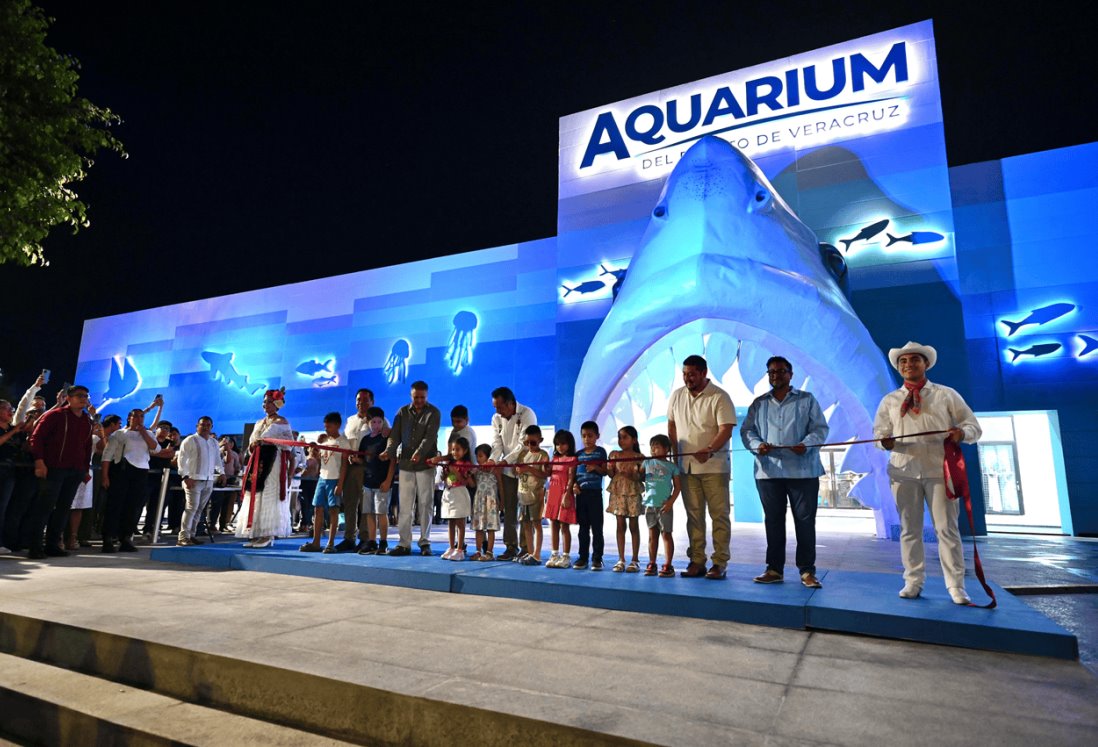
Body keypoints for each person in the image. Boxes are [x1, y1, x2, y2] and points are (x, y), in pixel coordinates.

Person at [874, 341, 982, 605]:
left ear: (925, 364)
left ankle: (956, 586)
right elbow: (879, 433)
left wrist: (961, 433)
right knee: (909, 530)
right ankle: (913, 581)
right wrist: (884, 442)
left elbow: (973, 426)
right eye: (903, 361)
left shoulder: (946, 394)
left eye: (914, 360)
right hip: (903, 471)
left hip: (939, 471)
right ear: (899, 367)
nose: (908, 365)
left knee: (947, 529)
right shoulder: (890, 400)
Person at [741, 356, 829, 588]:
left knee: (805, 522)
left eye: (780, 371)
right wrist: (757, 446)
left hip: (803, 472)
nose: (775, 376)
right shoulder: (759, 403)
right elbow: (747, 431)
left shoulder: (807, 400)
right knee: (773, 522)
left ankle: (807, 572)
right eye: (771, 372)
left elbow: (820, 429)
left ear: (790, 374)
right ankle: (773, 569)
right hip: (768, 472)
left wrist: (806, 444)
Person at [667, 354, 736, 580]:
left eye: (692, 374)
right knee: (693, 516)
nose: (688, 379)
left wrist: (710, 448)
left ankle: (719, 562)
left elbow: (726, 428)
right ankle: (697, 560)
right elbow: (672, 424)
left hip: (714, 468)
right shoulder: (677, 396)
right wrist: (675, 454)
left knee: (719, 515)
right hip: (686, 468)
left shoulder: (719, 396)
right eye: (685, 374)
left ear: (704, 373)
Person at [27, 385, 97, 559]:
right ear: (69, 398)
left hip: (75, 471)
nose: (84, 398)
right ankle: (35, 546)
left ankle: (52, 545)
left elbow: (87, 447)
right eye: (79, 395)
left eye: (86, 396)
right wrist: (39, 462)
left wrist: (84, 469)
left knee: (63, 509)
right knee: (44, 507)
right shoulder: (55, 415)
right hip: (53, 469)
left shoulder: (87, 421)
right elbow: (36, 438)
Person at [381, 381, 440, 556]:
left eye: (422, 397)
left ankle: (425, 542)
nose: (419, 400)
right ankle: (404, 543)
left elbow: (430, 437)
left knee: (426, 504)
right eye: (416, 397)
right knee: (405, 506)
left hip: (425, 465)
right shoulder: (402, 412)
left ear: (427, 396)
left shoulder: (434, 412)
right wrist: (388, 451)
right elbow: (395, 437)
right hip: (406, 465)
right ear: (411, 396)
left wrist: (420, 453)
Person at [237, 388, 296, 549]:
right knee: (256, 494)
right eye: (264, 402)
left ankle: (268, 533)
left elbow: (289, 445)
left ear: (277, 404)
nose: (265, 405)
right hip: (258, 461)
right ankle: (255, 532)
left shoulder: (282, 422)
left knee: (269, 493)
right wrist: (254, 444)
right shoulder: (258, 423)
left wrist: (268, 442)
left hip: (274, 461)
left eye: (269, 402)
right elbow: (251, 443)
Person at [101, 407, 163, 552]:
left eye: (141, 416)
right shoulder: (120, 434)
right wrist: (105, 476)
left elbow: (156, 448)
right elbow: (107, 455)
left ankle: (126, 538)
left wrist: (143, 432)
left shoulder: (147, 433)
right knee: (115, 506)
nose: (139, 419)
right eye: (135, 416)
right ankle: (108, 538)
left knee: (133, 507)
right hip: (122, 470)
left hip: (141, 471)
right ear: (129, 418)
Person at [489, 387, 537, 561]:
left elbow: (524, 444)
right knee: (509, 509)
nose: (497, 411)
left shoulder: (526, 414)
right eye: (495, 407)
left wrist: (505, 461)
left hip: (526, 469)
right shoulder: (496, 418)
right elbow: (496, 444)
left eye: (500, 407)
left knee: (525, 510)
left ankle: (527, 547)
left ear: (510, 403)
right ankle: (510, 546)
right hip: (507, 470)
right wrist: (493, 460)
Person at [339, 388, 390, 551]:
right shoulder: (350, 420)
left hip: (369, 468)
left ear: (372, 402)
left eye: (366, 400)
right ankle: (349, 537)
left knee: (366, 506)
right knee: (350, 502)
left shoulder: (380, 421)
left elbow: (388, 443)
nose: (361, 403)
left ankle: (365, 538)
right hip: (351, 466)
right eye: (359, 400)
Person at [300, 413, 350, 554]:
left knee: (333, 510)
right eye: (325, 426)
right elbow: (322, 461)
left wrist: (340, 484)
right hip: (322, 478)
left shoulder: (343, 442)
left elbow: (344, 464)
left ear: (337, 425)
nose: (326, 429)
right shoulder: (324, 442)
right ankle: (316, 542)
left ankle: (330, 543)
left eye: (329, 426)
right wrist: (315, 450)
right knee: (318, 509)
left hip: (334, 479)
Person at [177, 416, 224, 546]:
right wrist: (185, 477)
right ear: (197, 426)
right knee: (191, 508)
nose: (205, 427)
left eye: (208, 425)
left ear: (211, 427)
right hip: (194, 479)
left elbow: (217, 460)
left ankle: (191, 535)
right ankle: (183, 537)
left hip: (208, 480)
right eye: (202, 425)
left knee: (199, 510)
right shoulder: (190, 440)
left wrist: (221, 472)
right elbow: (182, 459)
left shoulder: (214, 442)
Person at [641, 434, 682, 577]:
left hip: (665, 506)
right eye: (652, 447)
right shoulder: (646, 463)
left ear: (666, 449)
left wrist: (670, 502)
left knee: (666, 534)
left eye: (657, 447)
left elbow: (677, 487)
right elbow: (638, 475)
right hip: (649, 505)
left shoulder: (672, 467)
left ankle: (668, 564)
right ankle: (652, 563)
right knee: (652, 535)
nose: (653, 450)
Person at [356, 406, 395, 555]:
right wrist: (354, 459)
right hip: (367, 482)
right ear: (368, 422)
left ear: (383, 422)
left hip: (382, 482)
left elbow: (392, 460)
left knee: (381, 513)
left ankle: (383, 542)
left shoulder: (386, 438)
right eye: (373, 422)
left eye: (379, 422)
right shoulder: (365, 440)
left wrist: (388, 480)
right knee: (369, 513)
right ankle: (371, 541)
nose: (376, 425)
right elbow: (362, 459)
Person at [608, 425, 643, 573]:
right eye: (619, 437)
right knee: (620, 525)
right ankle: (621, 558)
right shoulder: (614, 455)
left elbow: (642, 477)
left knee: (633, 525)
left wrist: (633, 475)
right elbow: (610, 473)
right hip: (618, 493)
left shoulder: (639, 458)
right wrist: (609, 469)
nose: (621, 440)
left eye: (625, 437)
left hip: (633, 493)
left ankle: (635, 559)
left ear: (634, 440)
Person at [573, 421, 608, 571]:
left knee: (597, 527)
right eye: (584, 436)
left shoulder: (601, 452)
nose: (587, 439)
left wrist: (596, 468)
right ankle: (583, 557)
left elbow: (605, 471)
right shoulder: (578, 454)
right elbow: (573, 474)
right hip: (581, 495)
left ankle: (597, 558)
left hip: (595, 494)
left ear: (597, 436)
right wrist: (574, 485)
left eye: (590, 436)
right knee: (583, 527)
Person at [434, 437, 473, 561]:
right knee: (450, 522)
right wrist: (445, 473)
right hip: (449, 493)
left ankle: (460, 549)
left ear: (465, 451)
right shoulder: (450, 464)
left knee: (460, 523)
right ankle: (451, 547)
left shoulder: (466, 465)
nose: (454, 452)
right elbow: (445, 480)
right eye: (452, 450)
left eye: (457, 450)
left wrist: (454, 471)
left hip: (460, 493)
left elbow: (464, 481)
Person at [514, 425, 549, 566]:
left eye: (533, 443)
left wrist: (529, 469)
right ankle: (530, 551)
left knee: (537, 523)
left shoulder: (543, 455)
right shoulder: (523, 455)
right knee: (526, 524)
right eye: (526, 442)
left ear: (540, 440)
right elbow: (518, 470)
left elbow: (546, 475)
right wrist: (519, 471)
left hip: (536, 494)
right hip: (522, 494)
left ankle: (537, 554)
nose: (529, 446)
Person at [545, 430, 578, 569]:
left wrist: (567, 494)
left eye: (563, 444)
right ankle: (554, 554)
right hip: (553, 492)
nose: (560, 447)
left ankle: (566, 556)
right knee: (553, 524)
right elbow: (548, 473)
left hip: (565, 493)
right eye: (557, 444)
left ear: (569, 444)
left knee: (564, 525)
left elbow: (571, 479)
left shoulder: (572, 460)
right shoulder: (555, 459)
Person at [470, 444, 500, 560]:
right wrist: (469, 475)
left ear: (488, 457)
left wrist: (501, 500)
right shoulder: (477, 471)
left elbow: (500, 484)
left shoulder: (494, 469)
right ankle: (478, 551)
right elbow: (473, 485)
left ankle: (489, 552)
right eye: (477, 456)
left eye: (481, 456)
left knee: (490, 527)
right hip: (479, 501)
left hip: (491, 501)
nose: (478, 459)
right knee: (479, 527)